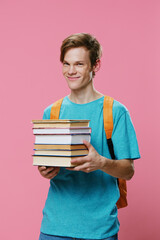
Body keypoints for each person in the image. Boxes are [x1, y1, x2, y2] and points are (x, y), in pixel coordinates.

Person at [38, 33, 140, 240]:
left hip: (100, 230)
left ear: (95, 66)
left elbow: (128, 171)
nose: (71, 71)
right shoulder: (52, 112)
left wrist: (101, 162)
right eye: (66, 64)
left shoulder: (115, 111)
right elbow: (49, 165)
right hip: (54, 228)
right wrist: (46, 170)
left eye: (79, 64)